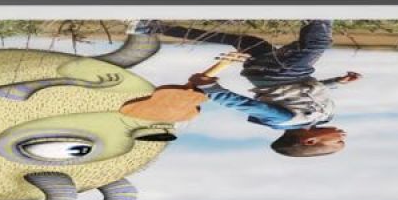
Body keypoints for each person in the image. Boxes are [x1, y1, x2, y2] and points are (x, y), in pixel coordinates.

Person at [132, 19, 361, 156]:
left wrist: (211, 87)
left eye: (339, 141)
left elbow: (244, 105)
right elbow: (309, 91)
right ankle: (150, 27)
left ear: (309, 141)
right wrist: (336, 82)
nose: (343, 136)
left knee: (317, 43)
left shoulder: (284, 119)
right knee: (249, 43)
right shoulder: (320, 118)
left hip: (278, 74)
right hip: (283, 74)